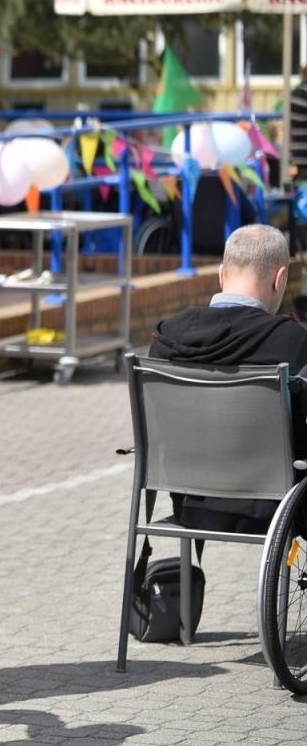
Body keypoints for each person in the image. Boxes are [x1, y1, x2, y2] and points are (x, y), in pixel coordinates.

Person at [149, 224, 307, 533]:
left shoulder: (165, 341)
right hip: (277, 508)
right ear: (280, 279)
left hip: (191, 504)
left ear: (222, 275)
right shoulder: (292, 343)